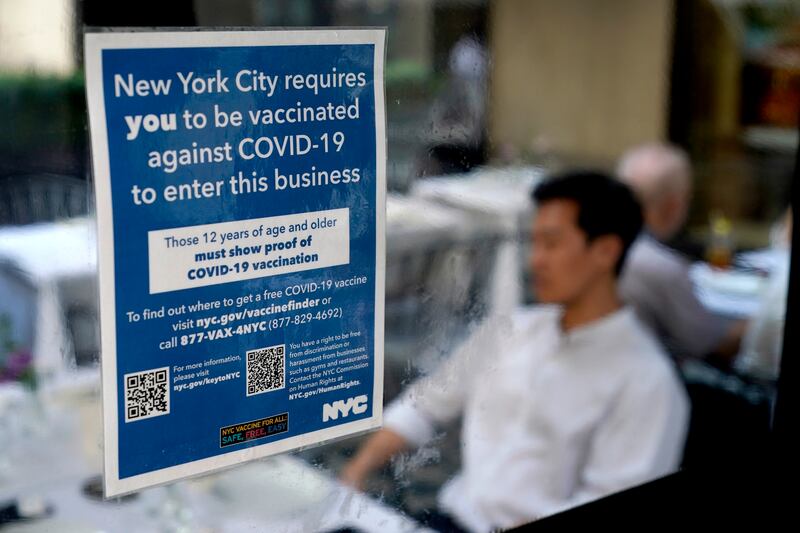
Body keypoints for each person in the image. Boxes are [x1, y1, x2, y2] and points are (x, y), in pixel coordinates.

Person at [341, 171, 689, 532]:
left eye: (551, 244)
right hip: (450, 517)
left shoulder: (647, 381)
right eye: (534, 243)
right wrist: (354, 474)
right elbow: (423, 405)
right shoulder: (512, 329)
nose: (535, 260)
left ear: (606, 251)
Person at [617, 143, 744, 361]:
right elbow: (713, 344)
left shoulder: (591, 244)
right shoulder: (660, 266)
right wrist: (762, 322)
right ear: (673, 205)